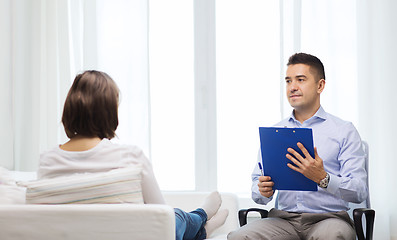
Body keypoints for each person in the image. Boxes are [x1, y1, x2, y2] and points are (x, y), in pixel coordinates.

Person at [37, 70, 229, 240]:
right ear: (109, 112)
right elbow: (161, 215)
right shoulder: (129, 156)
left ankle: (201, 225)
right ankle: (201, 217)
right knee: (175, 216)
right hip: (129, 233)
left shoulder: (47, 160)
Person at [227, 53, 368, 240]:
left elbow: (359, 191)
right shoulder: (276, 132)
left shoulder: (344, 131)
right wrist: (262, 189)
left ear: (320, 85)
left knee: (334, 236)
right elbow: (258, 190)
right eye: (288, 81)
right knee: (239, 237)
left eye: (300, 80)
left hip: (328, 219)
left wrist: (323, 178)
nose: (292, 87)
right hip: (283, 221)